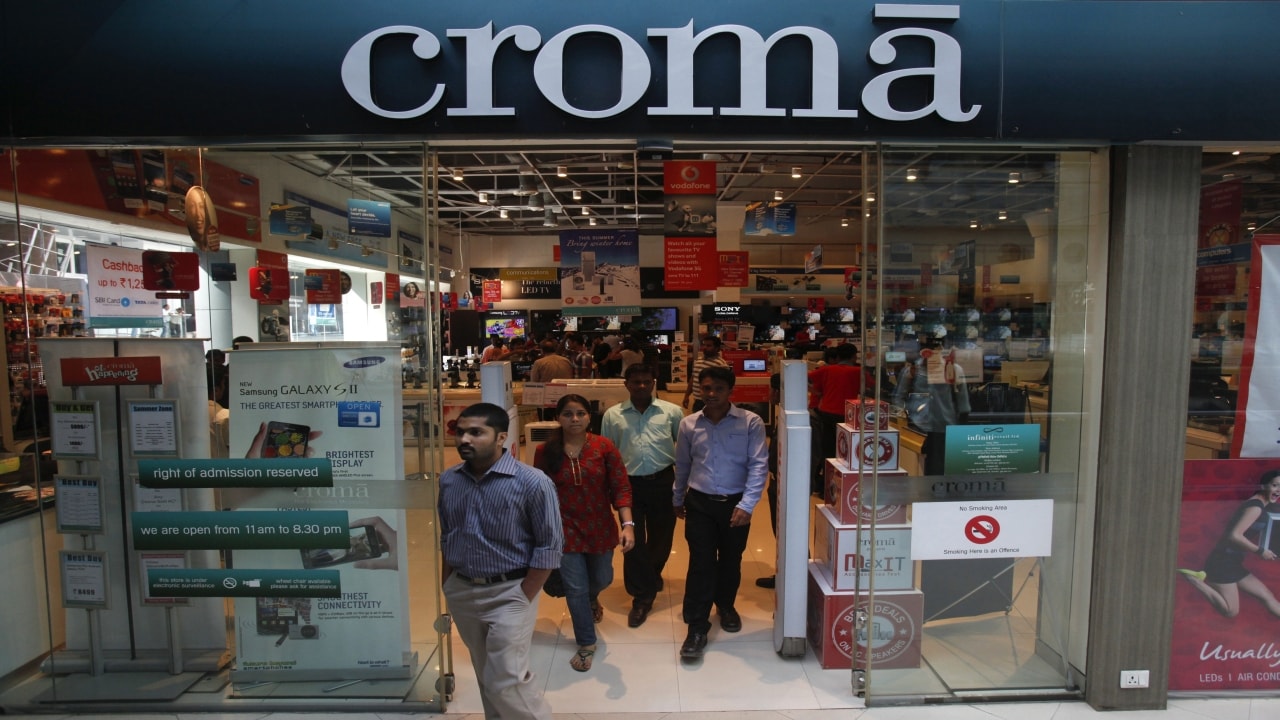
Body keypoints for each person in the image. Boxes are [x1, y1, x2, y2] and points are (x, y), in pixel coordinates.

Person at [439, 403, 563, 720]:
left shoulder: (532, 482)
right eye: (460, 432)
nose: (464, 439)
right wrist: (448, 584)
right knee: (485, 674)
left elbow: (550, 545)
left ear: (501, 437)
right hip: (462, 590)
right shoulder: (449, 480)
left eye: (476, 432)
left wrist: (524, 596)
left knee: (506, 679)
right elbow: (448, 534)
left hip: (510, 591)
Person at [533, 394, 634, 672]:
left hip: (600, 526)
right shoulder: (545, 451)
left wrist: (628, 524)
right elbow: (538, 492)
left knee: (602, 577)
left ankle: (592, 597)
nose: (574, 419)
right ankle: (586, 642)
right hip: (564, 528)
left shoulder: (604, 447)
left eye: (580, 413)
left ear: (590, 416)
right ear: (558, 418)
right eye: (567, 414)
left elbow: (621, 487)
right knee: (575, 587)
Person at [674, 365, 769, 659]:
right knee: (701, 562)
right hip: (699, 503)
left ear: (730, 391)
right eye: (706, 388)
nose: (711, 394)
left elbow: (758, 466)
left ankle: (726, 606)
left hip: (735, 504)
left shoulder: (750, 422)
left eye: (718, 388)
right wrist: (677, 497)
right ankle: (696, 626)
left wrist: (747, 505)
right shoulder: (689, 424)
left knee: (730, 559)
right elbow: (683, 464)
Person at [600, 363, 684, 627]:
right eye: (635, 382)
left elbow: (684, 450)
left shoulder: (671, 412)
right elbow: (608, 454)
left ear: (654, 382)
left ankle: (650, 574)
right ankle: (642, 597)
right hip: (628, 486)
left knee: (662, 537)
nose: (641, 386)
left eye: (647, 381)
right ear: (626, 384)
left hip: (664, 481)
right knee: (632, 541)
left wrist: (683, 485)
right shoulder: (613, 415)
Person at [1180, 470, 1280, 618]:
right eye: (1275, 485)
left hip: (1233, 562)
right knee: (1231, 611)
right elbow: (1234, 535)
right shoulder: (1256, 507)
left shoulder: (1262, 504)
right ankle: (1194, 580)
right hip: (1222, 562)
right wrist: (1260, 551)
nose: (1278, 490)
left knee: (1267, 596)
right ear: (1264, 486)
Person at [892, 330, 971, 475]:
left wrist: (961, 430)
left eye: (936, 348)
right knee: (928, 467)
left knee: (943, 468)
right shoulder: (913, 370)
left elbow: (963, 403)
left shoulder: (953, 369)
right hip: (918, 427)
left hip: (945, 428)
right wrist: (903, 417)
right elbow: (899, 397)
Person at [808, 342, 873, 493]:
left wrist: (816, 392)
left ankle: (826, 488)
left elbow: (804, 377)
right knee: (845, 453)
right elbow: (872, 387)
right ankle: (842, 487)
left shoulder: (827, 369)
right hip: (848, 416)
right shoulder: (859, 371)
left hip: (825, 414)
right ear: (854, 356)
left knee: (827, 452)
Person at [755, 372, 783, 589]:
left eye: (772, 389)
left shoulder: (801, 420)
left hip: (786, 486)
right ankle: (784, 573)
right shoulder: (783, 417)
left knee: (788, 533)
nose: (769, 394)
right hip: (777, 482)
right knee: (781, 532)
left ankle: (791, 576)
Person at [683, 335, 730, 413]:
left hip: (712, 402)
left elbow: (724, 386)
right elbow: (693, 379)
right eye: (704, 345)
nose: (704, 347)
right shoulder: (698, 361)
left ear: (717, 348)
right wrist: (686, 396)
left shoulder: (721, 364)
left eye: (708, 345)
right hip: (697, 401)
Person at [206, 363, 230, 458]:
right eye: (223, 384)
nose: (225, 387)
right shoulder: (225, 416)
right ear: (216, 390)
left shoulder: (184, 413)